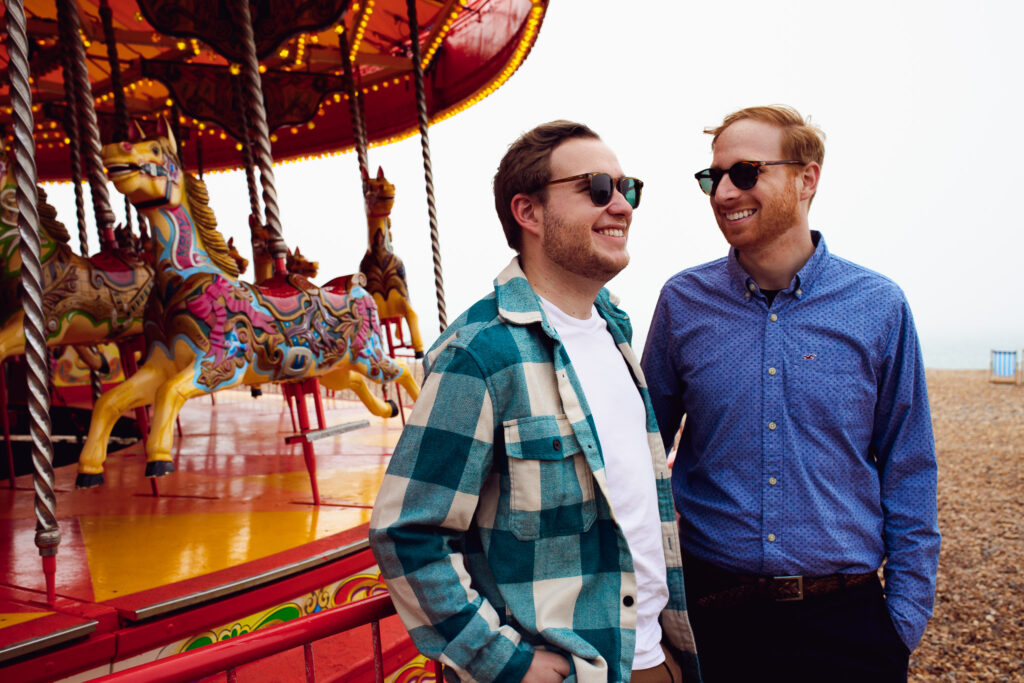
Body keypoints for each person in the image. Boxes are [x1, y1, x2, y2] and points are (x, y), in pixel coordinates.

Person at [369, 120, 700, 682]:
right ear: (529, 213)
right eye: (597, 188)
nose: (621, 205)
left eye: (628, 188)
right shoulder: (481, 353)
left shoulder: (615, 331)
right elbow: (409, 531)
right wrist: (503, 663)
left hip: (656, 658)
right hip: (571, 669)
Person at [641, 105, 940, 682]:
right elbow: (641, 454)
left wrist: (902, 620)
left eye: (746, 172)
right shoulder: (683, 303)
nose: (724, 192)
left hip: (848, 624)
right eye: (714, 177)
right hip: (714, 616)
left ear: (808, 179)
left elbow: (910, 466)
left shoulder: (879, 306)